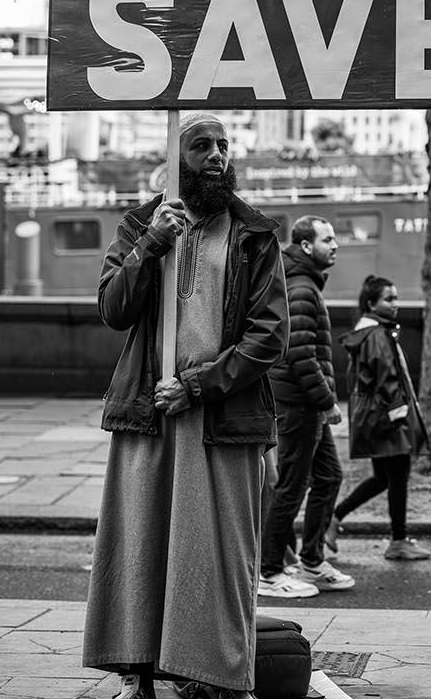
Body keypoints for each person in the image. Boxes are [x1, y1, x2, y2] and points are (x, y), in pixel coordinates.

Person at [82, 111, 289, 699]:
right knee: (141, 546)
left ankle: (216, 674)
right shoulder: (141, 225)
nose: (217, 155)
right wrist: (151, 245)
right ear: (176, 159)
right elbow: (113, 310)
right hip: (148, 415)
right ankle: (137, 671)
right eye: (201, 145)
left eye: (224, 144)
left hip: (221, 416)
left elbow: (269, 336)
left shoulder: (254, 234)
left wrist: (198, 385)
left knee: (219, 555)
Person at [258, 215, 353, 598]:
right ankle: (268, 572)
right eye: (327, 239)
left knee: (329, 476)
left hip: (305, 403)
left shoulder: (305, 283)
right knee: (291, 488)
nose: (335, 245)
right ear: (303, 244)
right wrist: (327, 401)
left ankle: (311, 561)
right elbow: (299, 353)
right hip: (299, 405)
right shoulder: (300, 286)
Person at [330, 274, 431, 561]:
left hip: (375, 415)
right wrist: (401, 416)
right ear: (372, 304)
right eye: (389, 299)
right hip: (389, 417)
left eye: (396, 298)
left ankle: (335, 517)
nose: (395, 304)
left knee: (383, 477)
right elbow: (387, 377)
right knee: (397, 477)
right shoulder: (377, 335)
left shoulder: (367, 332)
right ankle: (398, 540)